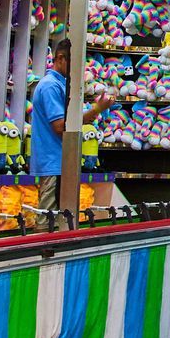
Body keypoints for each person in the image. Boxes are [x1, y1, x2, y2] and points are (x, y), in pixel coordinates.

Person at [28, 39, 111, 213]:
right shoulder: (51, 86)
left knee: (59, 217)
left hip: (60, 163)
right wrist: (96, 109)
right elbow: (60, 126)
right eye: (73, 64)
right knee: (49, 217)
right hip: (53, 162)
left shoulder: (60, 85)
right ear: (60, 58)